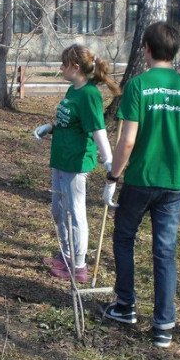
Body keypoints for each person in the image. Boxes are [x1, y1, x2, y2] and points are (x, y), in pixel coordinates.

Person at [102, 21, 180, 348]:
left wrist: (113, 177)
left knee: (124, 237)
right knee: (164, 251)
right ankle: (163, 326)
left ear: (145, 48)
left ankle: (126, 305)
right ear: (174, 51)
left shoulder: (139, 86)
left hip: (142, 178)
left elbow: (126, 141)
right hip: (176, 182)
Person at [32, 44, 120, 283]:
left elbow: (98, 131)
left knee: (75, 211)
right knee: (58, 210)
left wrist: (110, 162)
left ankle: (79, 266)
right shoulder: (73, 90)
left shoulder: (89, 95)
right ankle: (66, 255)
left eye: (63, 64)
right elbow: (69, 122)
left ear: (75, 67)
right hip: (61, 159)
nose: (60, 68)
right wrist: (50, 128)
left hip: (76, 163)